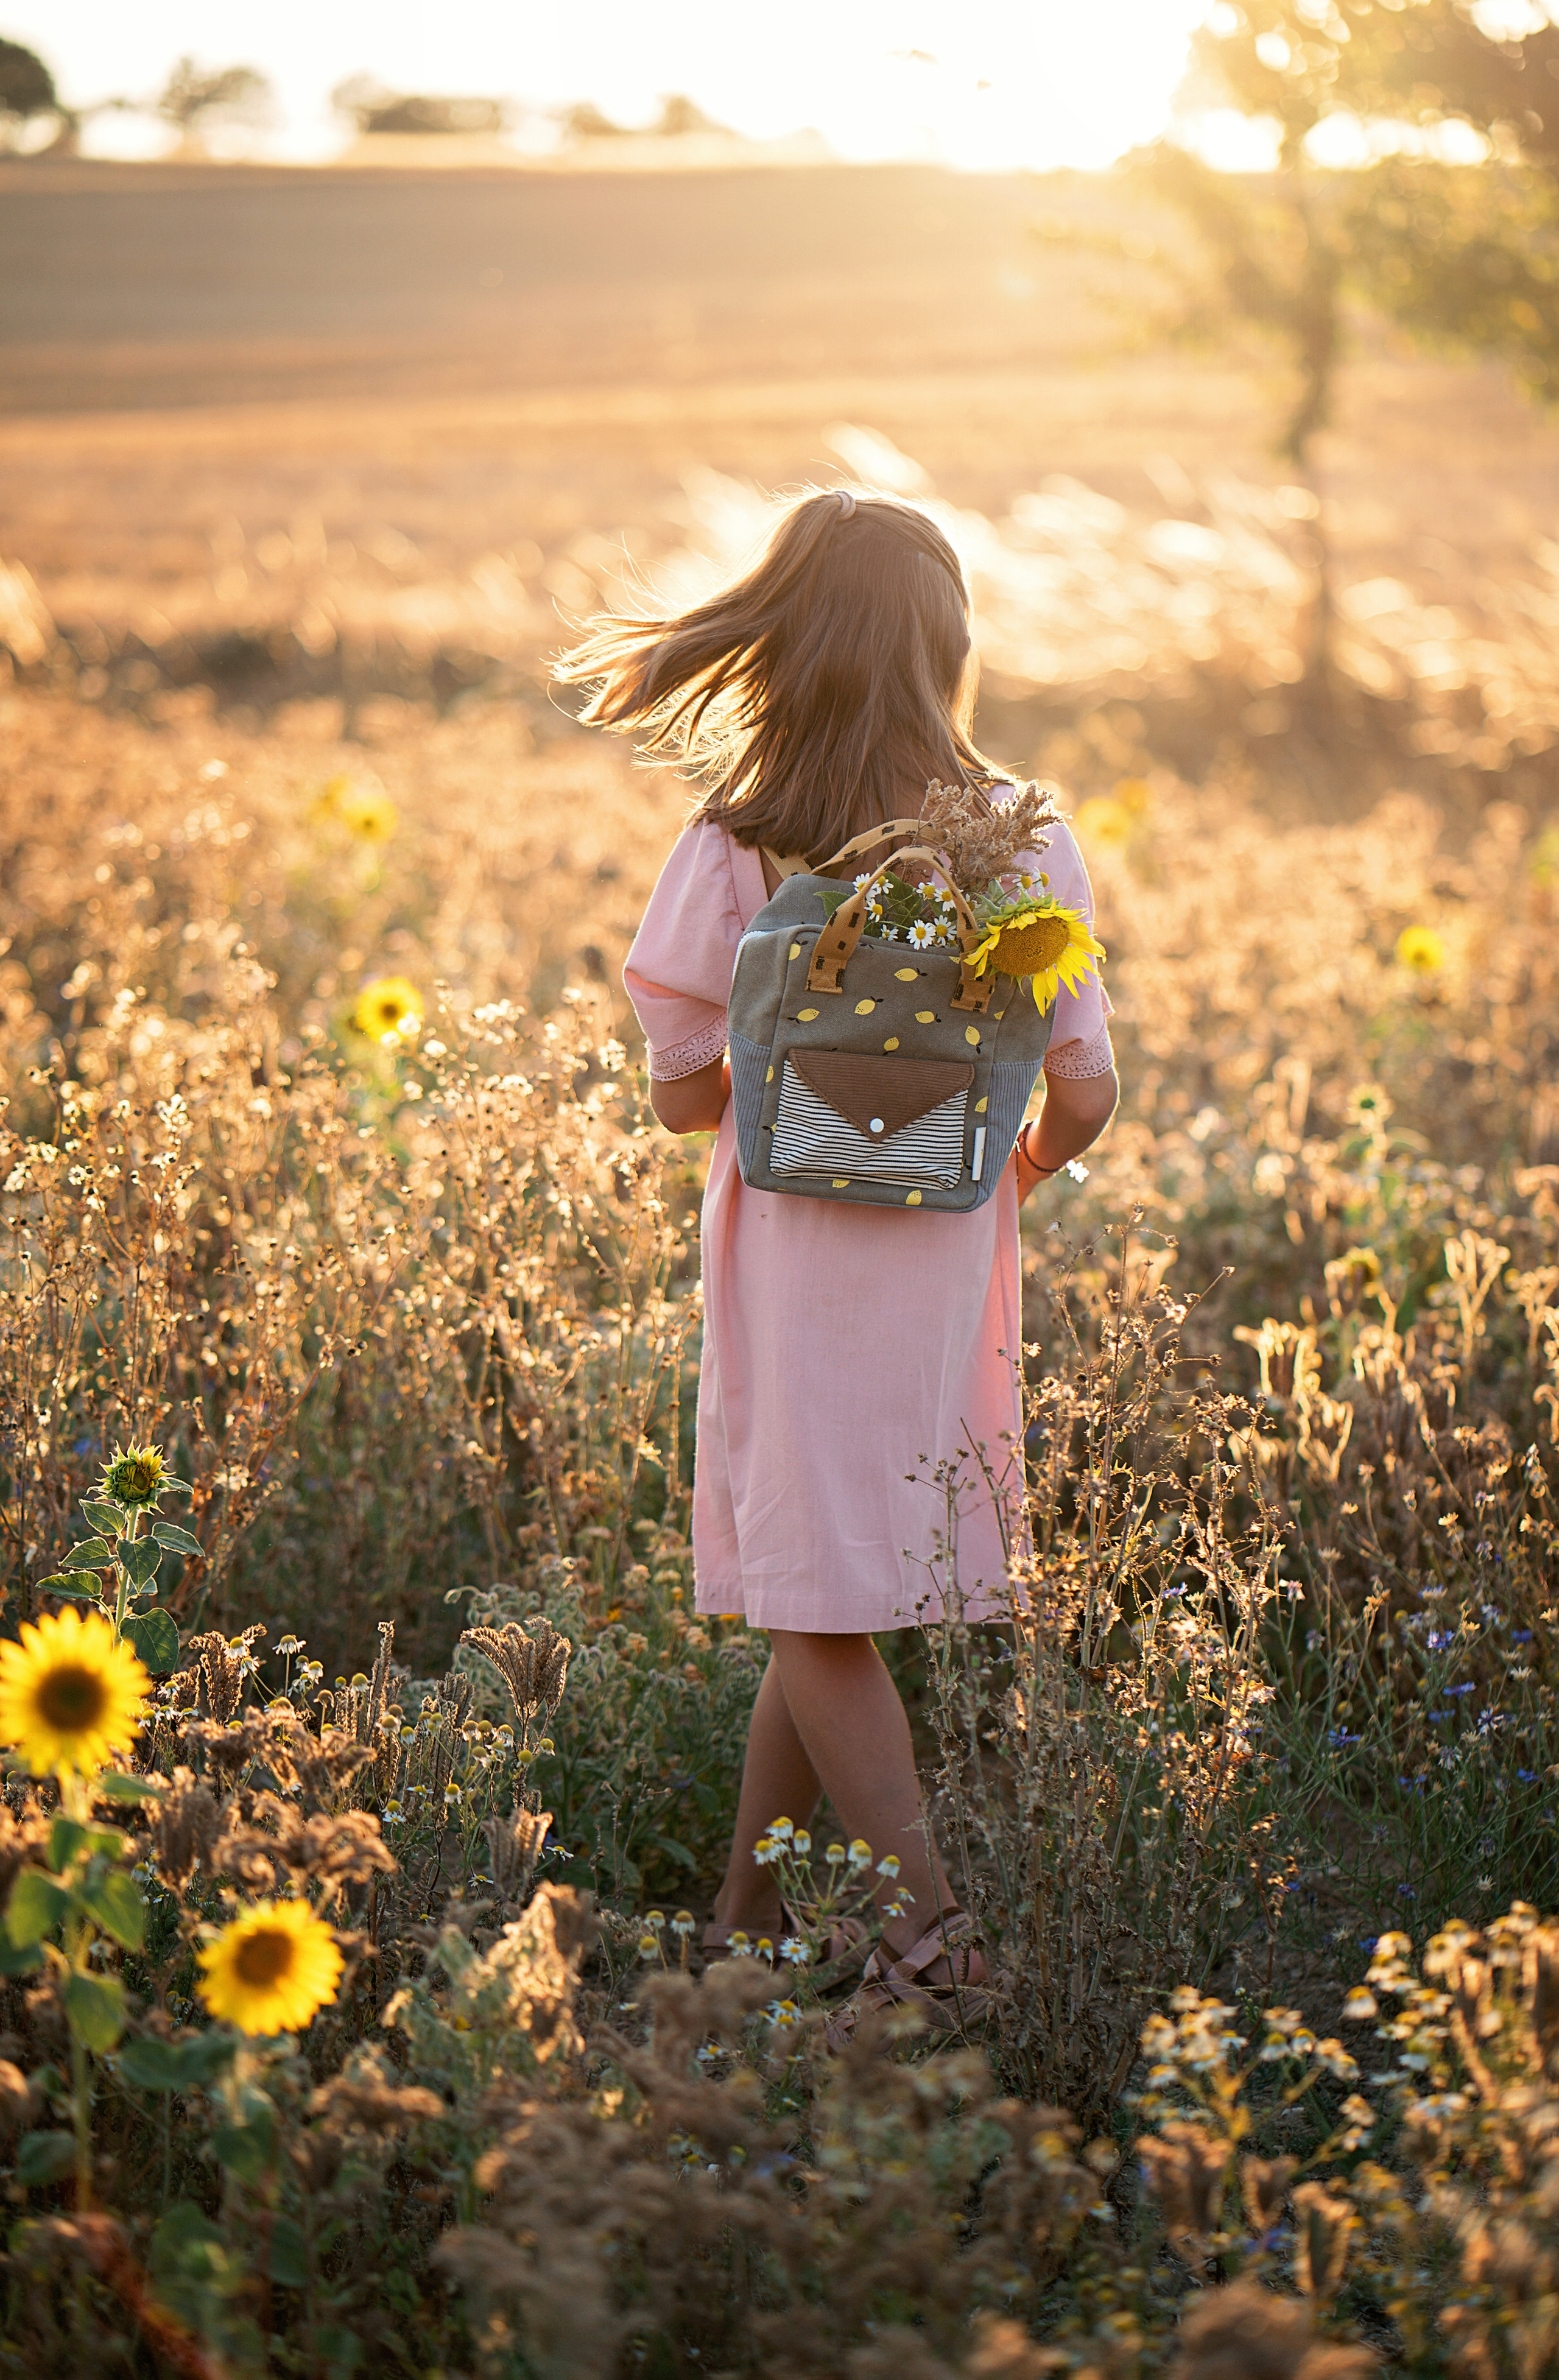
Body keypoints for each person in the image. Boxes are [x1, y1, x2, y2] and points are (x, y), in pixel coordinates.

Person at [555, 488, 1118, 2027]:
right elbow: (1086, 1090)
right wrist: (1005, 1163)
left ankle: (931, 1944)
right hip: (944, 1253)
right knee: (825, 1583)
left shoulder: (739, 838)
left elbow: (682, 1099)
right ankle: (740, 1931)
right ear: (946, 649)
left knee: (808, 1595)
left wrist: (788, 1060)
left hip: (795, 1255)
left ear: (781, 643)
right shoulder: (1026, 837)